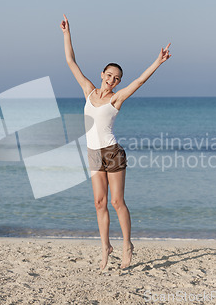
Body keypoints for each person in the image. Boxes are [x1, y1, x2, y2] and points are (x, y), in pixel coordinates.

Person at [60, 14, 171, 270]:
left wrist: (158, 60)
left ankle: (127, 245)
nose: (112, 80)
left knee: (116, 202)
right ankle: (105, 248)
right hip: (92, 153)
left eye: (116, 78)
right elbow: (70, 61)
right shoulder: (88, 91)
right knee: (99, 203)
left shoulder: (116, 99)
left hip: (112, 152)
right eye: (109, 75)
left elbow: (140, 81)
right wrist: (67, 33)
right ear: (102, 74)